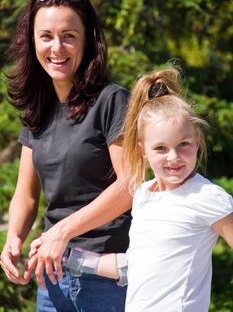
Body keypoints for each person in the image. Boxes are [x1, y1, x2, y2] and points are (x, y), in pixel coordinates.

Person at [0, 0, 132, 312]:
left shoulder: (112, 100)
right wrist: (14, 236)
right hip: (53, 278)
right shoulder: (37, 109)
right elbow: (27, 195)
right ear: (31, 42)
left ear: (88, 41)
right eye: (46, 36)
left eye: (68, 36)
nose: (56, 47)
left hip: (107, 279)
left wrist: (63, 232)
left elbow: (130, 184)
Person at [63, 67, 233, 311]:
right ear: (143, 151)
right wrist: (72, 258)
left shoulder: (207, 197)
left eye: (183, 144)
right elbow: (134, 266)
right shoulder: (143, 195)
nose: (173, 157)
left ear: (197, 141)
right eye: (161, 148)